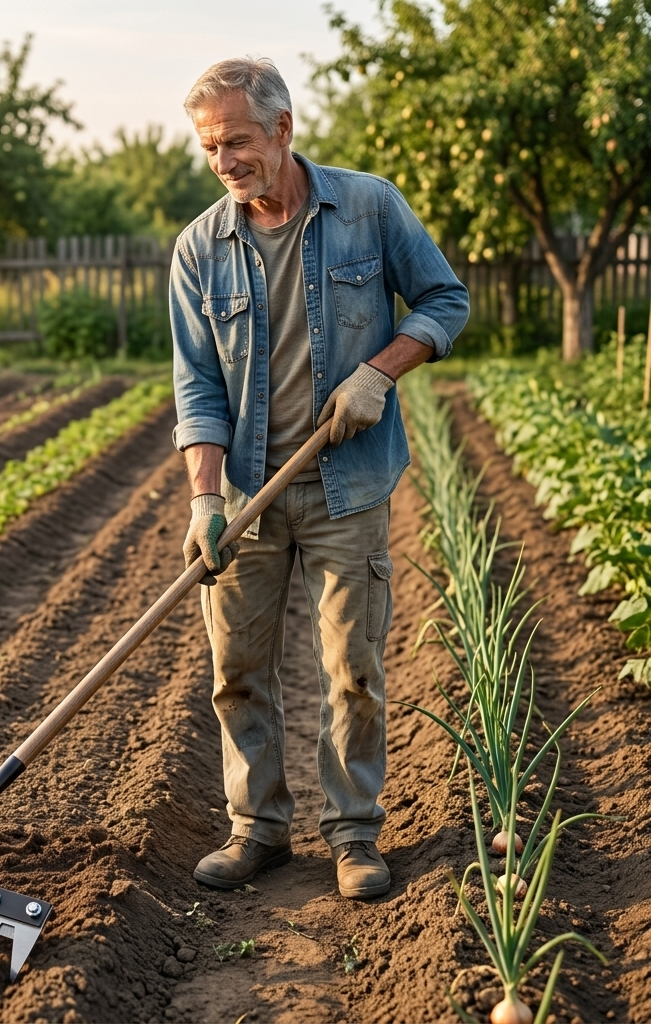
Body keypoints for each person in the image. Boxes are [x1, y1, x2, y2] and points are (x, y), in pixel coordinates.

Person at [171, 57, 469, 898]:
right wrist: (203, 498)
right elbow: (196, 384)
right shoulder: (200, 247)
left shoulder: (369, 206)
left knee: (353, 669)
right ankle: (256, 829)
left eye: (236, 140)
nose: (224, 161)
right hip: (244, 495)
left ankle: (352, 835)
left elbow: (445, 301)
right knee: (236, 669)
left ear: (283, 130)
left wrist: (380, 371)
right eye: (208, 147)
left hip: (348, 483)